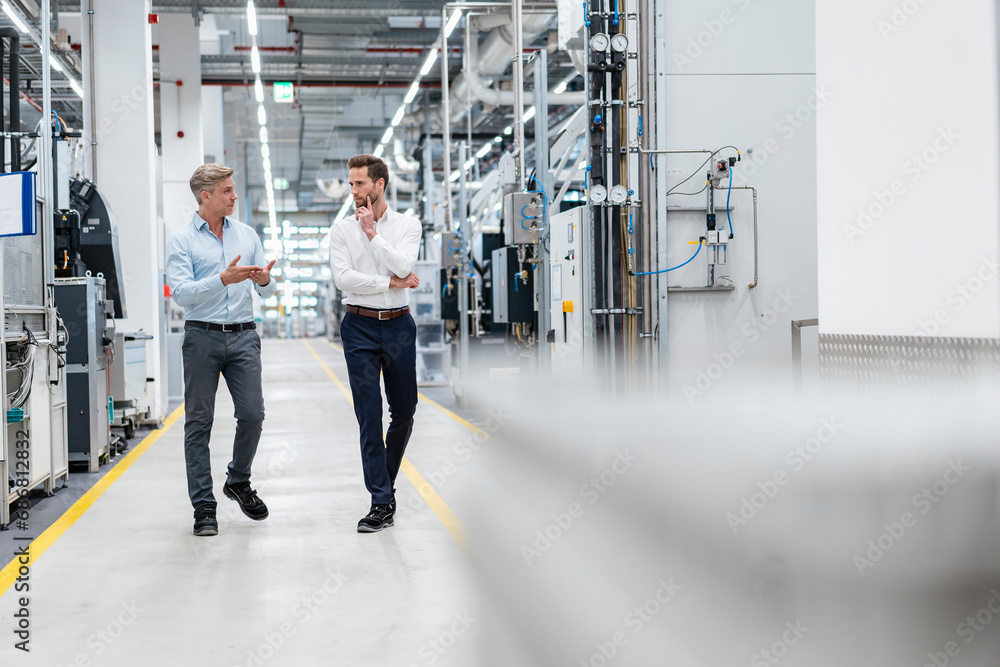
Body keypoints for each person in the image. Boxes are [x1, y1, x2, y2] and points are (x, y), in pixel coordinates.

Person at [166, 163, 277, 537]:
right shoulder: (182, 240)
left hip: (244, 335)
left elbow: (266, 290)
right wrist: (220, 279)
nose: (233, 196)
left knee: (253, 415)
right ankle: (204, 507)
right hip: (202, 337)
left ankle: (238, 480)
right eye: (227, 191)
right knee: (199, 423)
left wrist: (264, 279)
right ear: (205, 196)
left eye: (233, 189)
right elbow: (180, 293)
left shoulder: (246, 235)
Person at [329, 154, 422, 533]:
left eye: (360, 184)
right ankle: (380, 501)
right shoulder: (340, 230)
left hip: (399, 326)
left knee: (404, 411)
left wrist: (372, 234)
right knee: (368, 416)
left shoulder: (407, 224)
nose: (353, 192)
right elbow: (343, 279)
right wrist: (387, 283)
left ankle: (386, 482)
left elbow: (404, 265)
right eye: (350, 184)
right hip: (359, 327)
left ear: (379, 185)